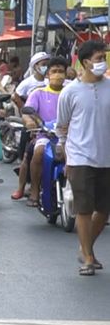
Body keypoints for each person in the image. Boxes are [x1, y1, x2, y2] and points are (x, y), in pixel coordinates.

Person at [56, 40, 110, 276]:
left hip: (106, 157)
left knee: (104, 209)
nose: (102, 63)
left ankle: (84, 247)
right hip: (80, 157)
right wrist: (65, 154)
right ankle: (88, 257)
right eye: (99, 59)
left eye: (104, 58)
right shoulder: (70, 92)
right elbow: (61, 126)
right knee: (84, 209)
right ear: (86, 62)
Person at [10, 57, 68, 205]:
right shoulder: (38, 93)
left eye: (61, 71)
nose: (58, 75)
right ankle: (34, 191)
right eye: (54, 71)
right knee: (38, 152)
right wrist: (29, 121)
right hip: (46, 135)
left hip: (69, 136)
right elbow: (27, 112)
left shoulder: (70, 92)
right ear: (47, 74)